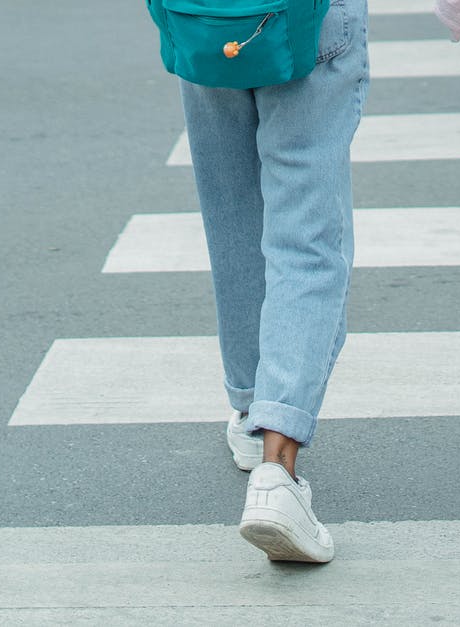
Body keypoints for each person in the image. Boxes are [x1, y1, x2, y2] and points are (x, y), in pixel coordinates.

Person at [178, 0, 369, 561]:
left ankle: (249, 407)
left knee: (232, 214)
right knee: (306, 240)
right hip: (307, 19)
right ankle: (277, 468)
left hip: (206, 18)